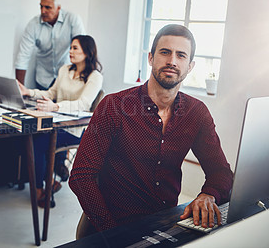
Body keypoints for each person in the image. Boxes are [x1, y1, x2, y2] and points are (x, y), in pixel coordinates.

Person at [69, 24, 234, 238]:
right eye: (165, 52)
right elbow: (81, 176)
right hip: (111, 226)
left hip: (165, 224)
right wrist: (112, 232)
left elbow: (221, 173)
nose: (172, 61)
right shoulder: (114, 106)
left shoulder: (196, 113)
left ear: (190, 66)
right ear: (150, 58)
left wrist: (208, 195)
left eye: (181, 55)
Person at [18, 35, 103, 207]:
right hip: (56, 124)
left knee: (38, 143)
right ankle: (47, 182)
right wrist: (29, 92)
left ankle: (41, 189)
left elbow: (84, 104)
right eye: (70, 47)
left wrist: (55, 107)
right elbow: (51, 94)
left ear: (87, 52)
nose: (70, 51)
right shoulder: (65, 70)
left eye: (75, 48)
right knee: (28, 136)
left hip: (77, 130)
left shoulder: (95, 76)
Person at [15, 0, 86, 90]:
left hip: (67, 79)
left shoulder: (72, 20)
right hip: (43, 80)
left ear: (58, 8)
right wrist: (19, 89)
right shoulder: (33, 24)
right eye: (41, 6)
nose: (43, 11)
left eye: (48, 7)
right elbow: (23, 56)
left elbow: (81, 50)